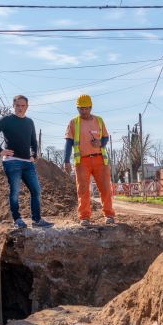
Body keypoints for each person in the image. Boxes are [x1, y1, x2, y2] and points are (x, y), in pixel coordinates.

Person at [0, 95, 53, 229]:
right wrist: (0, 150)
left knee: (36, 190)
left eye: (23, 106)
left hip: (27, 162)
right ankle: (17, 220)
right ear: (13, 106)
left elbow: (33, 142)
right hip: (12, 161)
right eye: (17, 105)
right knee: (15, 191)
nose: (20, 108)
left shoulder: (29, 122)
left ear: (27, 107)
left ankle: (36, 220)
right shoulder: (7, 120)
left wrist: (34, 155)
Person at [64, 94, 116, 226]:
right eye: (80, 109)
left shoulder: (99, 120)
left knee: (105, 189)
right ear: (77, 108)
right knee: (83, 190)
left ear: (91, 107)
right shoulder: (73, 122)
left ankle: (109, 215)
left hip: (100, 160)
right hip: (82, 162)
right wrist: (66, 160)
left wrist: (101, 143)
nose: (83, 111)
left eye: (86, 108)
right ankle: (84, 217)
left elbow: (105, 137)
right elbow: (68, 142)